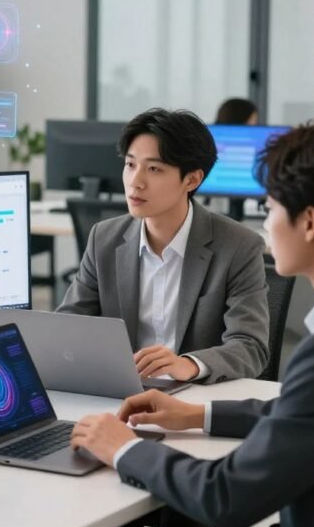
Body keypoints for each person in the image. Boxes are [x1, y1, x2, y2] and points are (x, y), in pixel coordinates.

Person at [71, 119, 314, 527]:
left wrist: (126, 449)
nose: (265, 225)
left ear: (310, 222)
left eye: (271, 208)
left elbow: (224, 497)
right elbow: (304, 411)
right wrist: (197, 414)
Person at [57, 108, 269, 384]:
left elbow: (250, 346)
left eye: (154, 169)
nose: (135, 182)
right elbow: (68, 327)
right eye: (131, 165)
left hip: (193, 399)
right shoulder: (104, 238)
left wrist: (189, 365)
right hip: (120, 393)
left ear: (192, 179)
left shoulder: (239, 246)